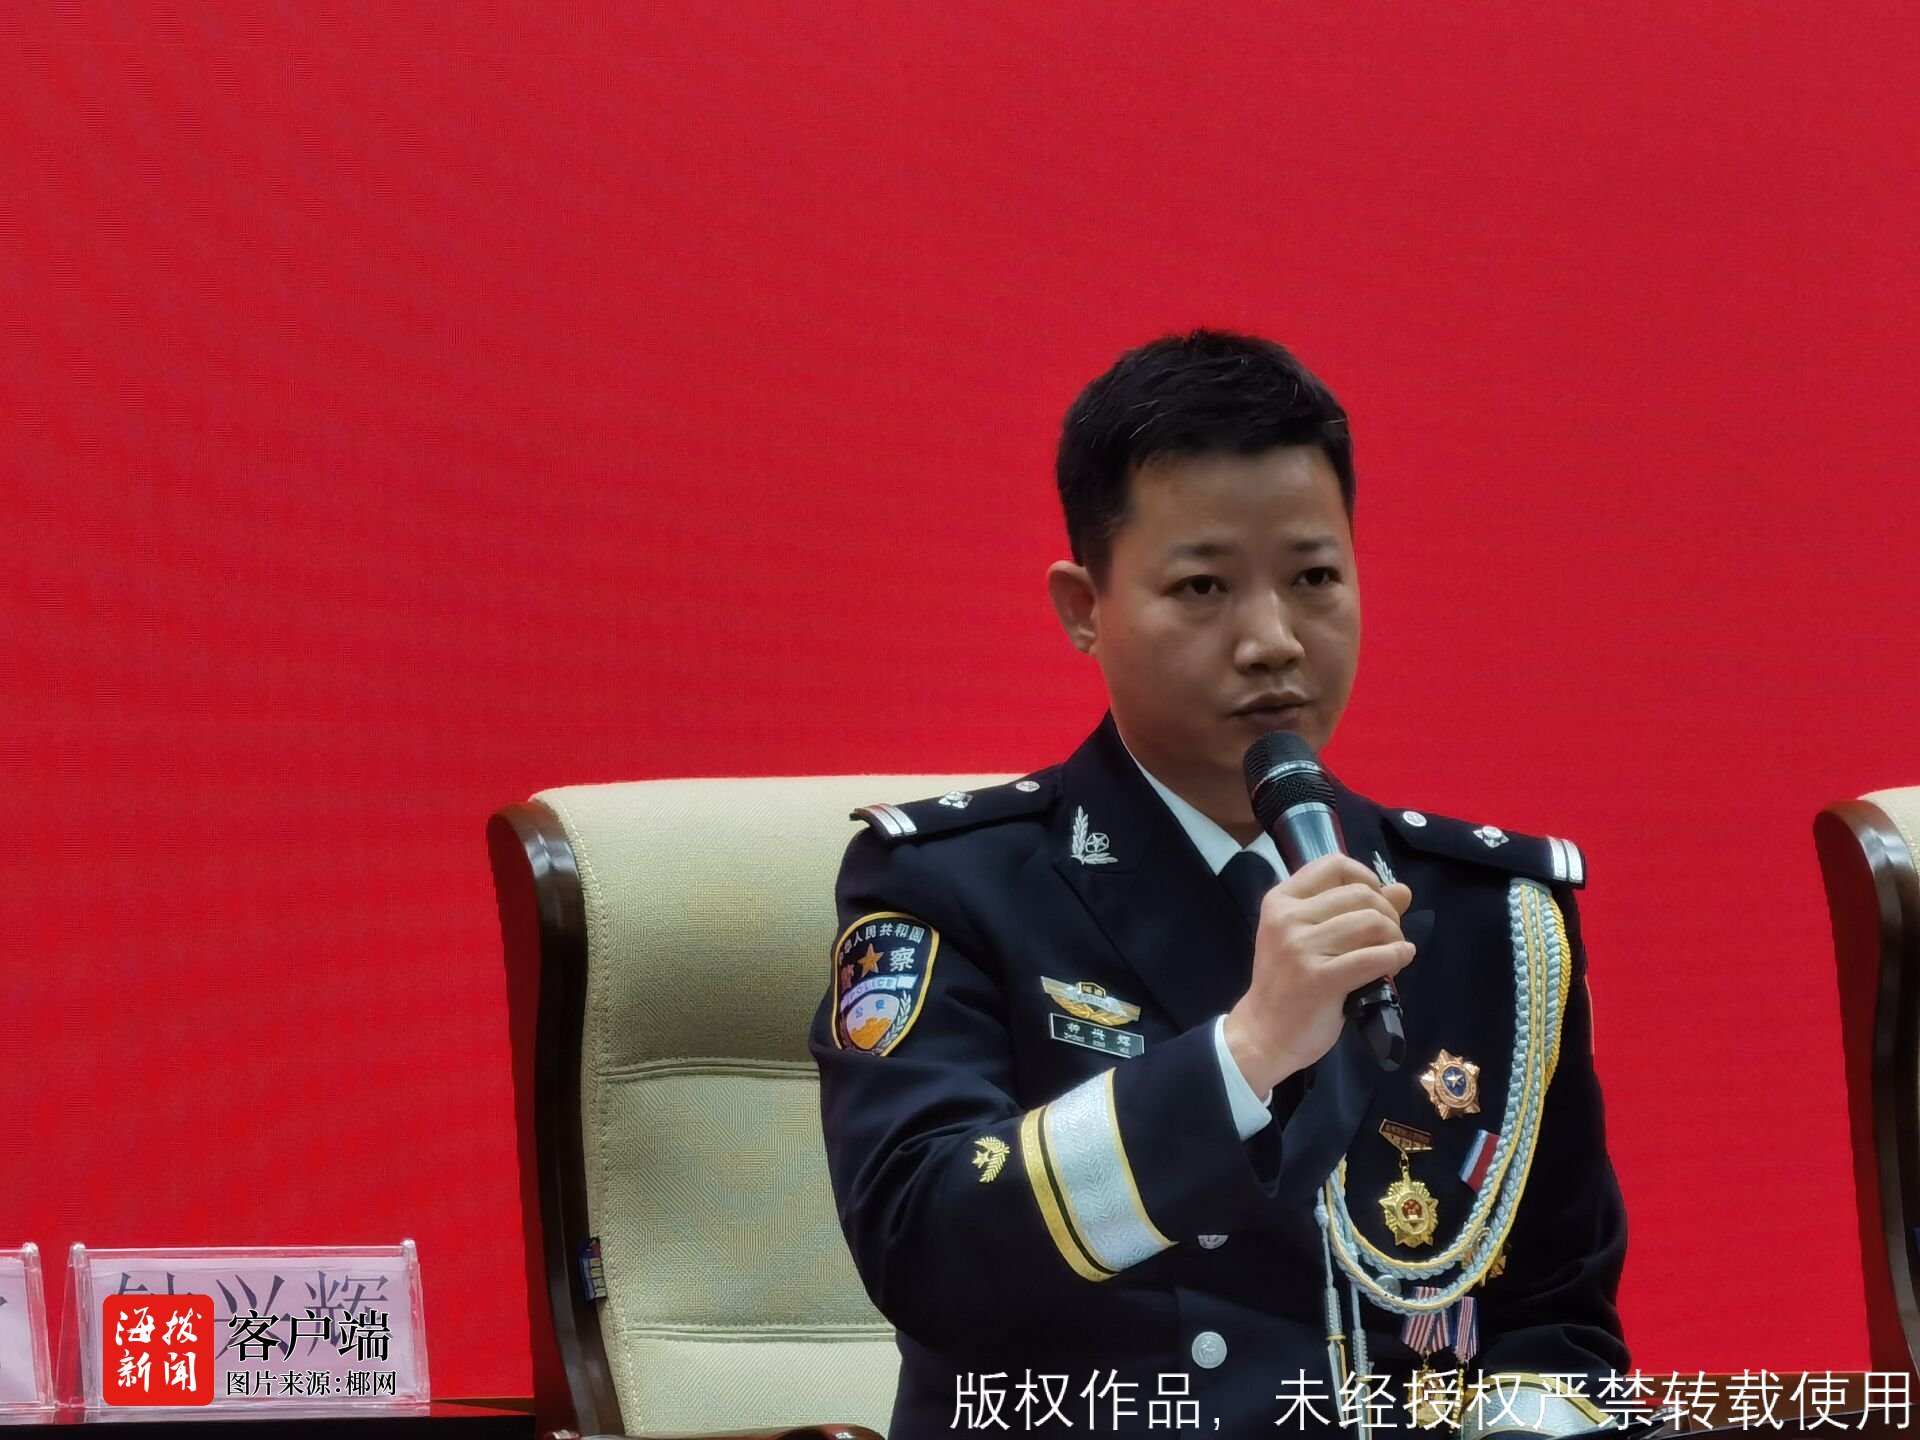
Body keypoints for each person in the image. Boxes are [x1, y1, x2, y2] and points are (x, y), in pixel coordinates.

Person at [809, 330, 1629, 1438]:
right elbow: (924, 1249)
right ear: (1084, 607)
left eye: (1314, 578)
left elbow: (1553, 1324)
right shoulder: (949, 885)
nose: (1273, 640)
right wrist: (1244, 1055)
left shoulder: (1496, 916)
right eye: (1203, 586)